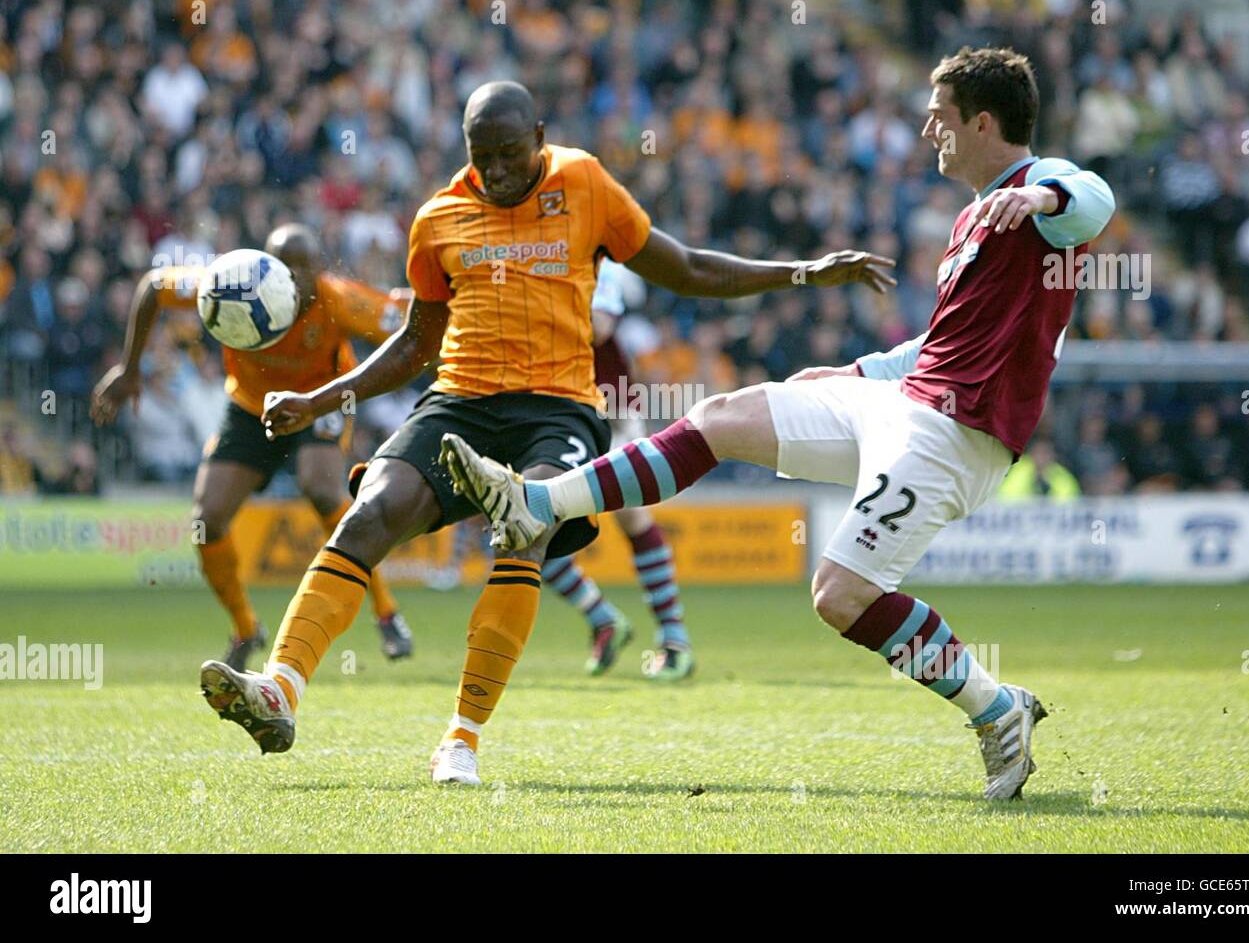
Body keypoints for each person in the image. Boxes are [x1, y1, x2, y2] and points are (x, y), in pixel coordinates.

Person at [442, 50, 1116, 800]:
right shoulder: (972, 216)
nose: (929, 129)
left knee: (840, 596)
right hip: (907, 401)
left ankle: (996, 710)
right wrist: (856, 374)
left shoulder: (1040, 196)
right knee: (723, 415)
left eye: (942, 116)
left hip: (956, 433)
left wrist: (1045, 200)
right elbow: (940, 346)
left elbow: (1095, 198)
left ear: (983, 122)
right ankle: (537, 504)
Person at [195, 80, 894, 783]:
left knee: (522, 529)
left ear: (539, 135)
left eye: (508, 154)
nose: (494, 170)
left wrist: (800, 273)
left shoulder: (584, 182)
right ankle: (279, 689)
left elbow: (682, 267)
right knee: (369, 511)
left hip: (557, 407)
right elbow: (415, 344)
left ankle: (460, 739)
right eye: (481, 156)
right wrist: (323, 400)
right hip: (459, 399)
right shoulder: (438, 219)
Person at [91, 224, 414, 670]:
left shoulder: (339, 300)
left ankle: (386, 611)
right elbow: (153, 287)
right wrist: (129, 370)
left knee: (322, 490)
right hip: (249, 404)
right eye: (286, 265)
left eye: (306, 267)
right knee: (207, 519)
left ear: (320, 270)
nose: (296, 276)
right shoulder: (231, 282)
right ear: (267, 264)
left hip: (315, 402)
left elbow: (412, 323)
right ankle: (246, 628)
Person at [540, 258, 694, 680]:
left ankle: (675, 641)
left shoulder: (594, 261)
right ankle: (602, 618)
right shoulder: (531, 251)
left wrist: (535, 311)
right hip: (549, 411)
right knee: (523, 525)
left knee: (631, 515)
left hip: (610, 409)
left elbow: (600, 328)